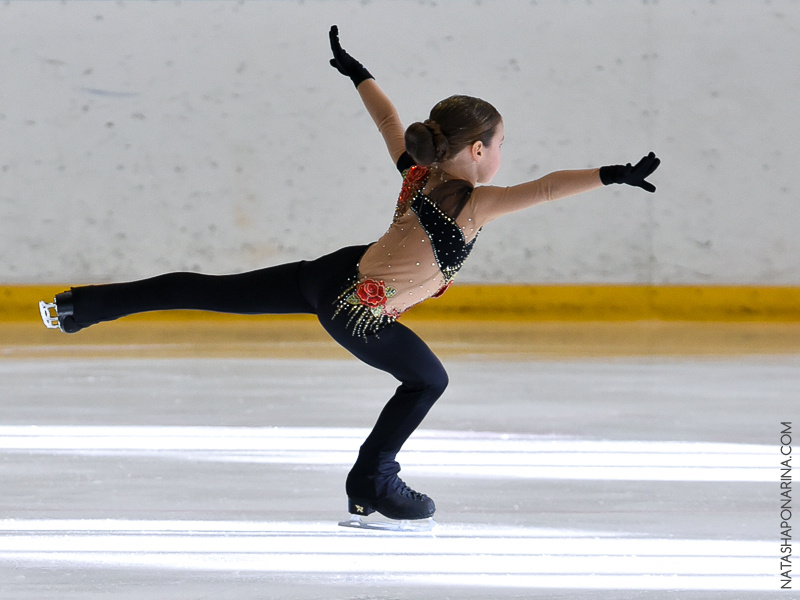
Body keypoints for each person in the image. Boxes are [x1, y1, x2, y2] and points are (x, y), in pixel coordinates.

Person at [39, 26, 660, 522]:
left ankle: (80, 307)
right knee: (427, 381)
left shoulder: (419, 172)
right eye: (501, 144)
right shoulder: (473, 203)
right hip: (356, 308)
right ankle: (373, 480)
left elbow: (389, 121)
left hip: (331, 274)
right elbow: (547, 188)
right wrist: (612, 175)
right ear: (477, 151)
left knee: (207, 289)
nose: (503, 155)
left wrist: (359, 73)